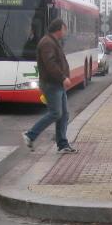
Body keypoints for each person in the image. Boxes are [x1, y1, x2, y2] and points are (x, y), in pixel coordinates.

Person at [22, 18, 77, 154]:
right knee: (56, 113)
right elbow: (50, 64)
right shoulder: (47, 43)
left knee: (64, 114)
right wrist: (63, 77)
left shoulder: (53, 41)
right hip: (51, 84)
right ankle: (30, 135)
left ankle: (62, 144)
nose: (65, 32)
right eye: (65, 29)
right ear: (59, 29)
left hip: (57, 84)